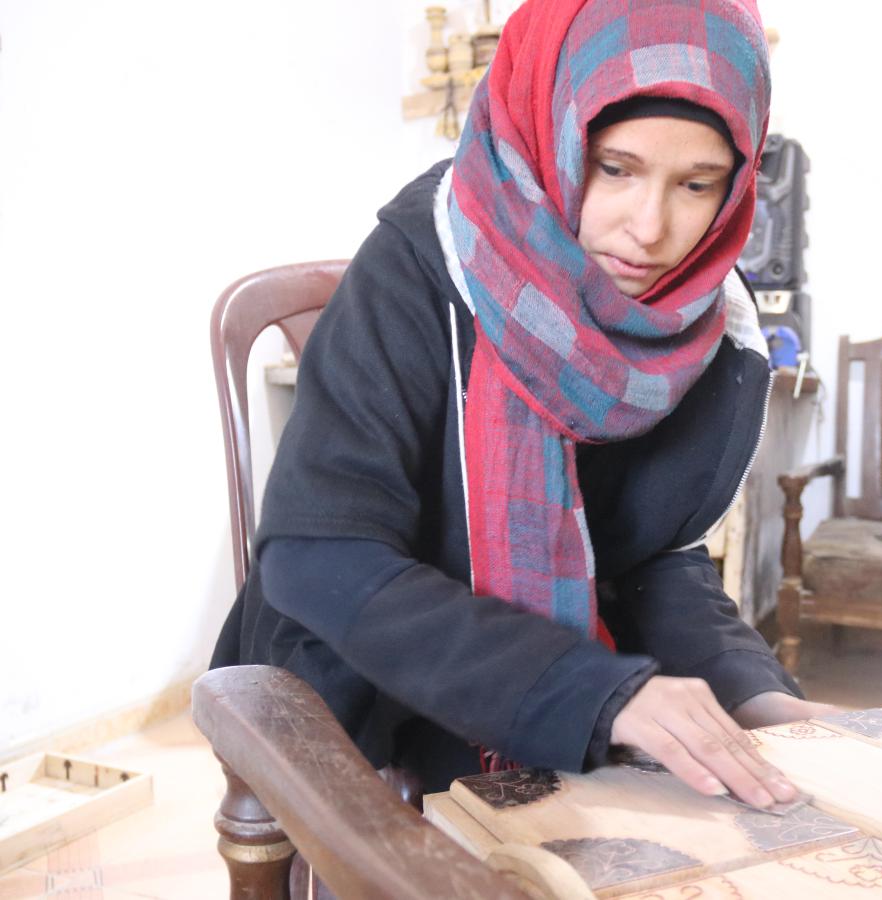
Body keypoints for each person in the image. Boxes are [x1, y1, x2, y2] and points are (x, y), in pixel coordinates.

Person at [211, 0, 835, 812]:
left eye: (697, 184)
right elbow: (319, 555)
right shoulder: (419, 262)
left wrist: (760, 701)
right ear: (553, 128)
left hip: (564, 668)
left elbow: (654, 558)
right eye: (615, 167)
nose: (648, 229)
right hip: (365, 677)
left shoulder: (707, 321)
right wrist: (597, 693)